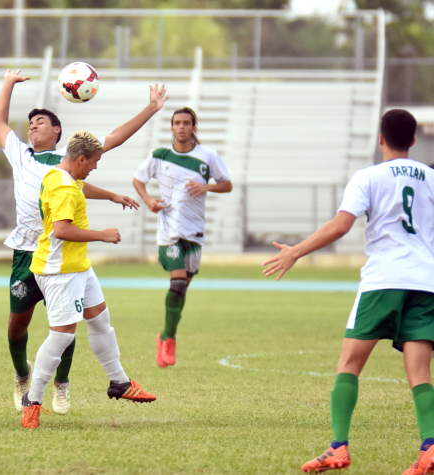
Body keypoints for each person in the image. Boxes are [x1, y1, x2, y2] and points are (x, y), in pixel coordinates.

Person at [263, 110, 434, 475]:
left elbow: (342, 225)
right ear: (414, 140)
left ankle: (338, 447)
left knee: (349, 364)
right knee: (420, 371)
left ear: (381, 138)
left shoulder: (368, 176)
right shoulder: (431, 178)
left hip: (383, 280)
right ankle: (430, 446)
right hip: (425, 283)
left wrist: (295, 250)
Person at [0, 69, 167, 415]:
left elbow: (111, 141)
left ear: (58, 131)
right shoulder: (22, 155)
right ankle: (24, 379)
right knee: (20, 326)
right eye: (30, 123)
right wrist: (8, 83)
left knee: (77, 322)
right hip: (31, 253)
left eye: (40, 122)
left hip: (64, 254)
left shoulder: (69, 160)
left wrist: (150, 110)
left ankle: (64, 385)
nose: (33, 127)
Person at [21, 131, 156, 429]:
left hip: (78, 266)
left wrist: (111, 195)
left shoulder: (57, 172)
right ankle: (32, 401)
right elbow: (61, 230)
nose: (95, 166)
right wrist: (102, 236)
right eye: (94, 161)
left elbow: (80, 185)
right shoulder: (65, 190)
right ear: (80, 158)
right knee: (62, 336)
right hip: (60, 272)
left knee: (100, 320)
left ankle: (119, 382)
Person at [133, 107, 232, 368]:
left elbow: (227, 184)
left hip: (195, 232)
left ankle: (164, 335)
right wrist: (148, 201)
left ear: (194, 127)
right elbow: (138, 179)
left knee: (182, 289)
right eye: (177, 123)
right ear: (172, 127)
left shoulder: (207, 155)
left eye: (186, 123)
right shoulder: (160, 155)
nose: (181, 127)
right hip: (169, 230)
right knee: (177, 284)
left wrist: (206, 186)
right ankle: (170, 340)